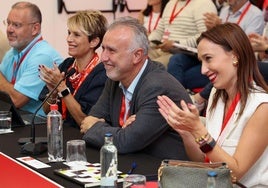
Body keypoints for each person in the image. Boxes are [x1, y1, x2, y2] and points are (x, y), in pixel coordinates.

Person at [157, 23, 268, 187]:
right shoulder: (217, 95)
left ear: (235, 56)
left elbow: (234, 173)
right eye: (201, 61)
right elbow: (206, 161)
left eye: (208, 59)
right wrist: (187, 133)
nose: (202, 70)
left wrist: (198, 130)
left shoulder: (262, 107)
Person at [80, 16, 192, 160]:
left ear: (137, 55)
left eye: (111, 51)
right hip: (135, 162)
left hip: (169, 173)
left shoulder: (158, 86)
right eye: (103, 49)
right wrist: (120, 132)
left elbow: (126, 141)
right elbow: (90, 120)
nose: (103, 58)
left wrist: (111, 131)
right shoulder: (115, 77)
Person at [38, 10, 108, 127]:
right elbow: (47, 111)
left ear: (94, 42)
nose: (69, 39)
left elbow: (85, 122)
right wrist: (53, 92)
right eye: (69, 33)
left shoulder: (102, 74)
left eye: (76, 35)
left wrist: (62, 88)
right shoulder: (67, 65)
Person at [0, 1, 62, 116]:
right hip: (19, 119)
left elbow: (16, 100)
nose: (9, 29)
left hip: (40, 125)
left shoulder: (42, 56)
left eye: (16, 25)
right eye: (8, 23)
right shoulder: (12, 53)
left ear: (35, 29)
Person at [148, 0, 217, 67]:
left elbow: (204, 36)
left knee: (152, 67)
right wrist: (146, 42)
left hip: (186, 53)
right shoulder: (170, 3)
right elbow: (159, 31)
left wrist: (175, 44)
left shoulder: (204, 3)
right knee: (140, 58)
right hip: (164, 49)